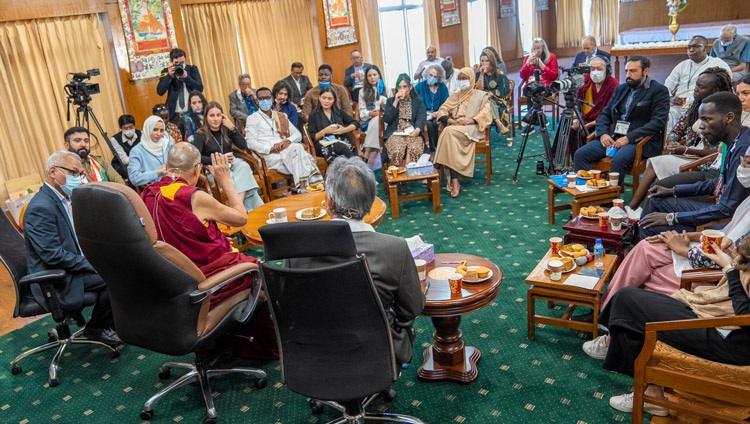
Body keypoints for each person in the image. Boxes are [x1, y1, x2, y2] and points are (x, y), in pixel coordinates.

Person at [582, 237, 750, 418]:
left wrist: (730, 269)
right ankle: (648, 387)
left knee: (628, 302)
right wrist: (732, 251)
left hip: (730, 340)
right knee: (628, 301)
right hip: (721, 319)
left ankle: (642, 385)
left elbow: (744, 315)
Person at [140, 144, 277, 359]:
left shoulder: (148, 194)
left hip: (170, 282)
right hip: (201, 282)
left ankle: (220, 343)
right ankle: (257, 348)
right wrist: (226, 181)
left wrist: (217, 238)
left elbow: (176, 238)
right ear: (196, 169)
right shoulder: (191, 196)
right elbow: (241, 218)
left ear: (167, 167)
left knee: (231, 248)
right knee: (261, 271)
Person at [289, 157, 425, 365]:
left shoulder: (296, 249)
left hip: (312, 356)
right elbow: (411, 310)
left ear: (329, 203)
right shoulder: (394, 249)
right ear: (370, 203)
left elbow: (289, 309)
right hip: (376, 353)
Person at [24, 151, 121, 345]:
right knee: (116, 277)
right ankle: (98, 327)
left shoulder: (64, 198)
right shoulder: (41, 207)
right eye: (74, 173)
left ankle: (102, 323)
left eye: (80, 174)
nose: (78, 178)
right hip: (55, 277)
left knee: (117, 265)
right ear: (53, 172)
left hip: (69, 268)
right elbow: (53, 256)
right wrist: (91, 263)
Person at [640, 92, 750, 238]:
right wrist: (672, 190)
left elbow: (725, 209)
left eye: (706, 120)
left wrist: (672, 218)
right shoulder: (735, 141)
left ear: (729, 118)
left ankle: (653, 255)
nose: (701, 127)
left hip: (729, 225)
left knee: (651, 225)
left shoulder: (744, 150)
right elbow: (717, 183)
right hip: (721, 211)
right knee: (656, 200)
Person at [627, 67, 733, 212]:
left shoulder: (723, 114)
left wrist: (686, 149)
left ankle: (635, 210)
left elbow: (719, 153)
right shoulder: (694, 106)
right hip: (687, 155)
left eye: (701, 87)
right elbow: (677, 130)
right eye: (696, 85)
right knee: (658, 174)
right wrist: (671, 141)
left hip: (703, 162)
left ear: (715, 91)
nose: (695, 89)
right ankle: (638, 211)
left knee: (657, 172)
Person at [573, 56, 670, 186]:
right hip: (614, 137)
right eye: (627, 71)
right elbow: (605, 114)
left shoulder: (658, 90)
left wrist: (628, 138)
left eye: (633, 71)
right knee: (581, 154)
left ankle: (608, 201)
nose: (628, 75)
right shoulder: (622, 89)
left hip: (639, 141)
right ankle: (585, 194)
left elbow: (658, 122)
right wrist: (603, 133)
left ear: (646, 72)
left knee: (619, 160)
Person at [245, 87, 323, 189]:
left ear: (272, 99)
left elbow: (298, 135)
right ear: (257, 101)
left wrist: (287, 141)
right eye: (261, 98)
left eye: (267, 98)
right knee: (302, 156)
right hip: (266, 156)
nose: (265, 101)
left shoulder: (281, 116)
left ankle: (302, 188)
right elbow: (250, 143)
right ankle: (307, 187)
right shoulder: (252, 119)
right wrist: (270, 148)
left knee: (297, 150)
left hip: (285, 151)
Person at [192, 101, 264, 212]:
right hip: (214, 168)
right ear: (206, 117)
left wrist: (233, 128)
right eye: (212, 115)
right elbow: (196, 156)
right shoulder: (200, 134)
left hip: (233, 164)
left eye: (218, 115)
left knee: (244, 166)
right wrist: (218, 160)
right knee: (234, 179)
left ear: (223, 116)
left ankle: (237, 208)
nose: (216, 119)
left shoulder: (227, 130)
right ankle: (245, 210)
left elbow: (243, 146)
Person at [433, 67, 492, 199]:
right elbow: (443, 109)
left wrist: (471, 121)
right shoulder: (455, 96)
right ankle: (455, 181)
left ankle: (436, 167)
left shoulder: (480, 95)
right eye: (459, 79)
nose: (462, 82)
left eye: (465, 79)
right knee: (449, 136)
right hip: (455, 127)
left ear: (471, 79)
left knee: (447, 133)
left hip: (471, 128)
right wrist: (450, 121)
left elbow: (486, 113)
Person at [664, 35, 731, 130]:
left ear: (705, 48)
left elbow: (726, 87)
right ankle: (666, 143)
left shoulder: (718, 64)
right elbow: (667, 86)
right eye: (689, 47)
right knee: (662, 115)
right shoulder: (683, 65)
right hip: (678, 106)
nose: (691, 49)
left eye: (696, 46)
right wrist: (670, 98)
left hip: (702, 106)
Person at [568, 56, 618, 159]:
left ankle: (589, 160)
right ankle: (574, 160)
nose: (595, 72)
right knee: (568, 127)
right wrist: (575, 118)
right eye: (592, 69)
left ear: (607, 70)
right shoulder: (585, 79)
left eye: (599, 69)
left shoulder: (613, 85)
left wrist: (590, 124)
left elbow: (613, 113)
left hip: (601, 122)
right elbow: (575, 101)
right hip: (582, 119)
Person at [382, 74, 427, 174]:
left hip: (412, 132)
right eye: (399, 87)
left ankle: (406, 174)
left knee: (413, 148)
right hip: (395, 132)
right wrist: (396, 101)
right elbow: (387, 120)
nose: (402, 89)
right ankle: (397, 176)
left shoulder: (418, 101)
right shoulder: (391, 101)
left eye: (405, 87)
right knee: (397, 150)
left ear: (410, 87)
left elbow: (421, 117)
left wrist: (418, 130)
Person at [307, 86, 360, 163]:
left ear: (334, 100)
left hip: (341, 140)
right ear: (319, 98)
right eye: (324, 98)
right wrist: (325, 131)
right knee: (341, 147)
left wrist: (344, 130)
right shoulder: (314, 115)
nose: (326, 101)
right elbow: (313, 137)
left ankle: (347, 170)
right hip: (323, 145)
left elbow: (356, 123)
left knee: (342, 147)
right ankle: (356, 166)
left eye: (330, 99)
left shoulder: (338, 112)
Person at [156, 48, 203, 121]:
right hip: (175, 115)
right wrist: (169, 76)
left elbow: (200, 88)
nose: (180, 65)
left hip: (191, 113)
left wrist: (187, 78)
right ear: (171, 62)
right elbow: (160, 91)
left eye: (182, 62)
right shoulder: (166, 72)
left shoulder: (192, 69)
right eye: (177, 63)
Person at [475, 47, 511, 141]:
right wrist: (482, 75)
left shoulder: (499, 74)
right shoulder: (479, 74)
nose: (484, 63)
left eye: (487, 61)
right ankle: (499, 123)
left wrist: (491, 93)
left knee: (489, 101)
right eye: (482, 61)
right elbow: (478, 89)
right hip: (481, 100)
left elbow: (503, 90)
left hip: (497, 100)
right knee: (487, 100)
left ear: (491, 61)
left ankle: (497, 122)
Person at [128, 115, 174, 186]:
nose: (159, 134)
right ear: (147, 129)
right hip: (155, 190)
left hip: (174, 184)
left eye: (161, 130)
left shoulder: (167, 145)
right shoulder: (137, 151)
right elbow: (134, 178)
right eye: (155, 129)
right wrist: (158, 172)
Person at [414, 64, 449, 153]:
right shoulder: (420, 86)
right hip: (424, 115)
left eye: (435, 76)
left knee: (436, 123)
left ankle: (439, 148)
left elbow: (446, 103)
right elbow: (414, 102)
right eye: (430, 75)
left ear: (439, 78)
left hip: (438, 114)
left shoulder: (442, 87)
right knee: (428, 125)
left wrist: (439, 112)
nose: (432, 78)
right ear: (426, 74)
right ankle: (432, 150)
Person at [358, 65, 388, 167]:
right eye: (369, 75)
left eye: (374, 74)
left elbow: (393, 108)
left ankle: (367, 152)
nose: (372, 77)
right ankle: (378, 156)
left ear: (379, 75)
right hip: (369, 121)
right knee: (376, 119)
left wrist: (384, 102)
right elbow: (362, 113)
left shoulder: (386, 89)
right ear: (366, 78)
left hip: (386, 120)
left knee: (379, 120)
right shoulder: (362, 92)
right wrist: (370, 113)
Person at [110, 115, 141, 179]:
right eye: (125, 128)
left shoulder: (141, 134)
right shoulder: (115, 139)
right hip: (123, 165)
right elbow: (124, 160)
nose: (129, 130)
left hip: (140, 162)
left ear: (134, 126)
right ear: (121, 128)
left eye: (131, 127)